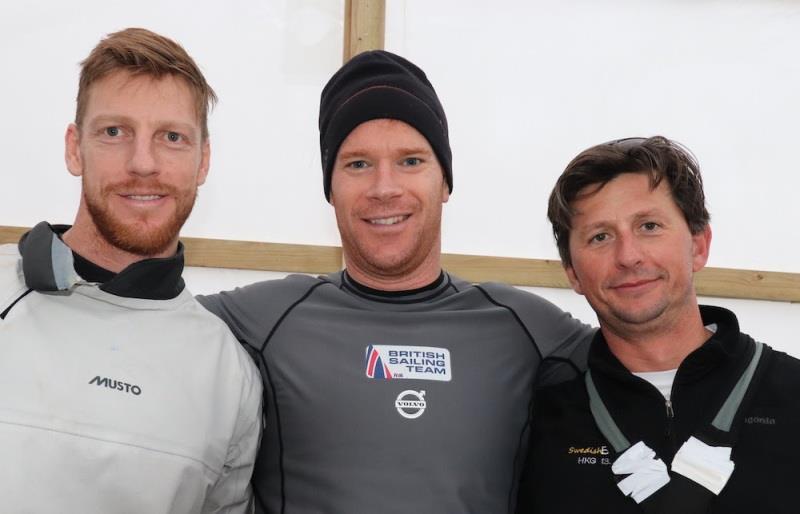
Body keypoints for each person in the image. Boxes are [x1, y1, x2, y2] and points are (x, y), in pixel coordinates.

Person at [198, 50, 593, 514]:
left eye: (410, 161)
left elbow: (653, 361)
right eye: (358, 164)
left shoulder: (525, 328)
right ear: (331, 189)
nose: (384, 188)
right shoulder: (263, 319)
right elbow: (140, 321)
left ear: (444, 181)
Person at [0, 28, 261, 514]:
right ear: (75, 148)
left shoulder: (230, 377)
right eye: (114, 132)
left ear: (203, 161)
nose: (143, 163)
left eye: (172, 137)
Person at [516, 136, 800, 513]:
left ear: (698, 246)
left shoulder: (791, 394)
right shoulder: (537, 419)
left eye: (649, 226)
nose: (628, 256)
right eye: (599, 237)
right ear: (573, 273)